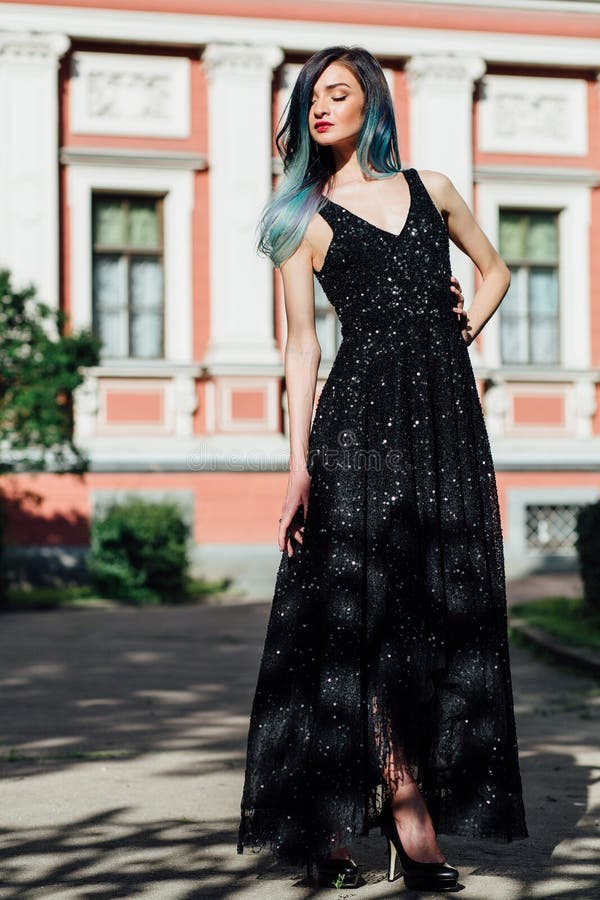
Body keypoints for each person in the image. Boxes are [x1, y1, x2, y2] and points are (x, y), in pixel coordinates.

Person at [237, 45, 528, 892]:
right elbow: (300, 348)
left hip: (446, 426)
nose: (322, 108)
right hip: (358, 427)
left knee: (438, 607)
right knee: (360, 618)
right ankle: (400, 815)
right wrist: (296, 468)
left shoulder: (432, 188)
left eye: (338, 92)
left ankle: (394, 807)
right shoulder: (303, 219)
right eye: (311, 98)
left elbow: (498, 267)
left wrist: (465, 326)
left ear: (371, 99)